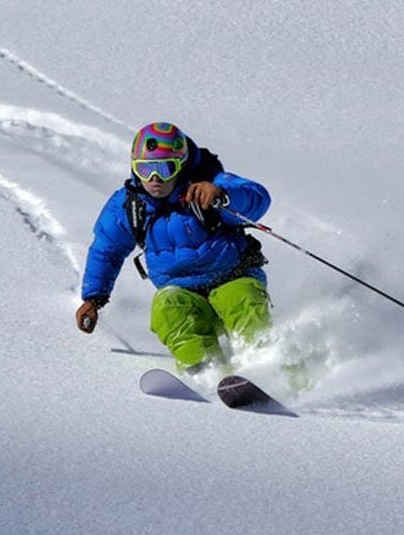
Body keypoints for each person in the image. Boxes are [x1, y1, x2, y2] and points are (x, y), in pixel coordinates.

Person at [76, 122, 272, 374]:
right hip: (182, 291)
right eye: (145, 169)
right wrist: (93, 298)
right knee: (167, 310)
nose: (155, 179)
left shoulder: (207, 186)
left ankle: (266, 366)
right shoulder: (128, 206)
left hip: (232, 276)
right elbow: (106, 250)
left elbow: (257, 198)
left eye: (164, 169)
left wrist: (223, 194)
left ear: (180, 166)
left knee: (242, 301)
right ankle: (205, 370)